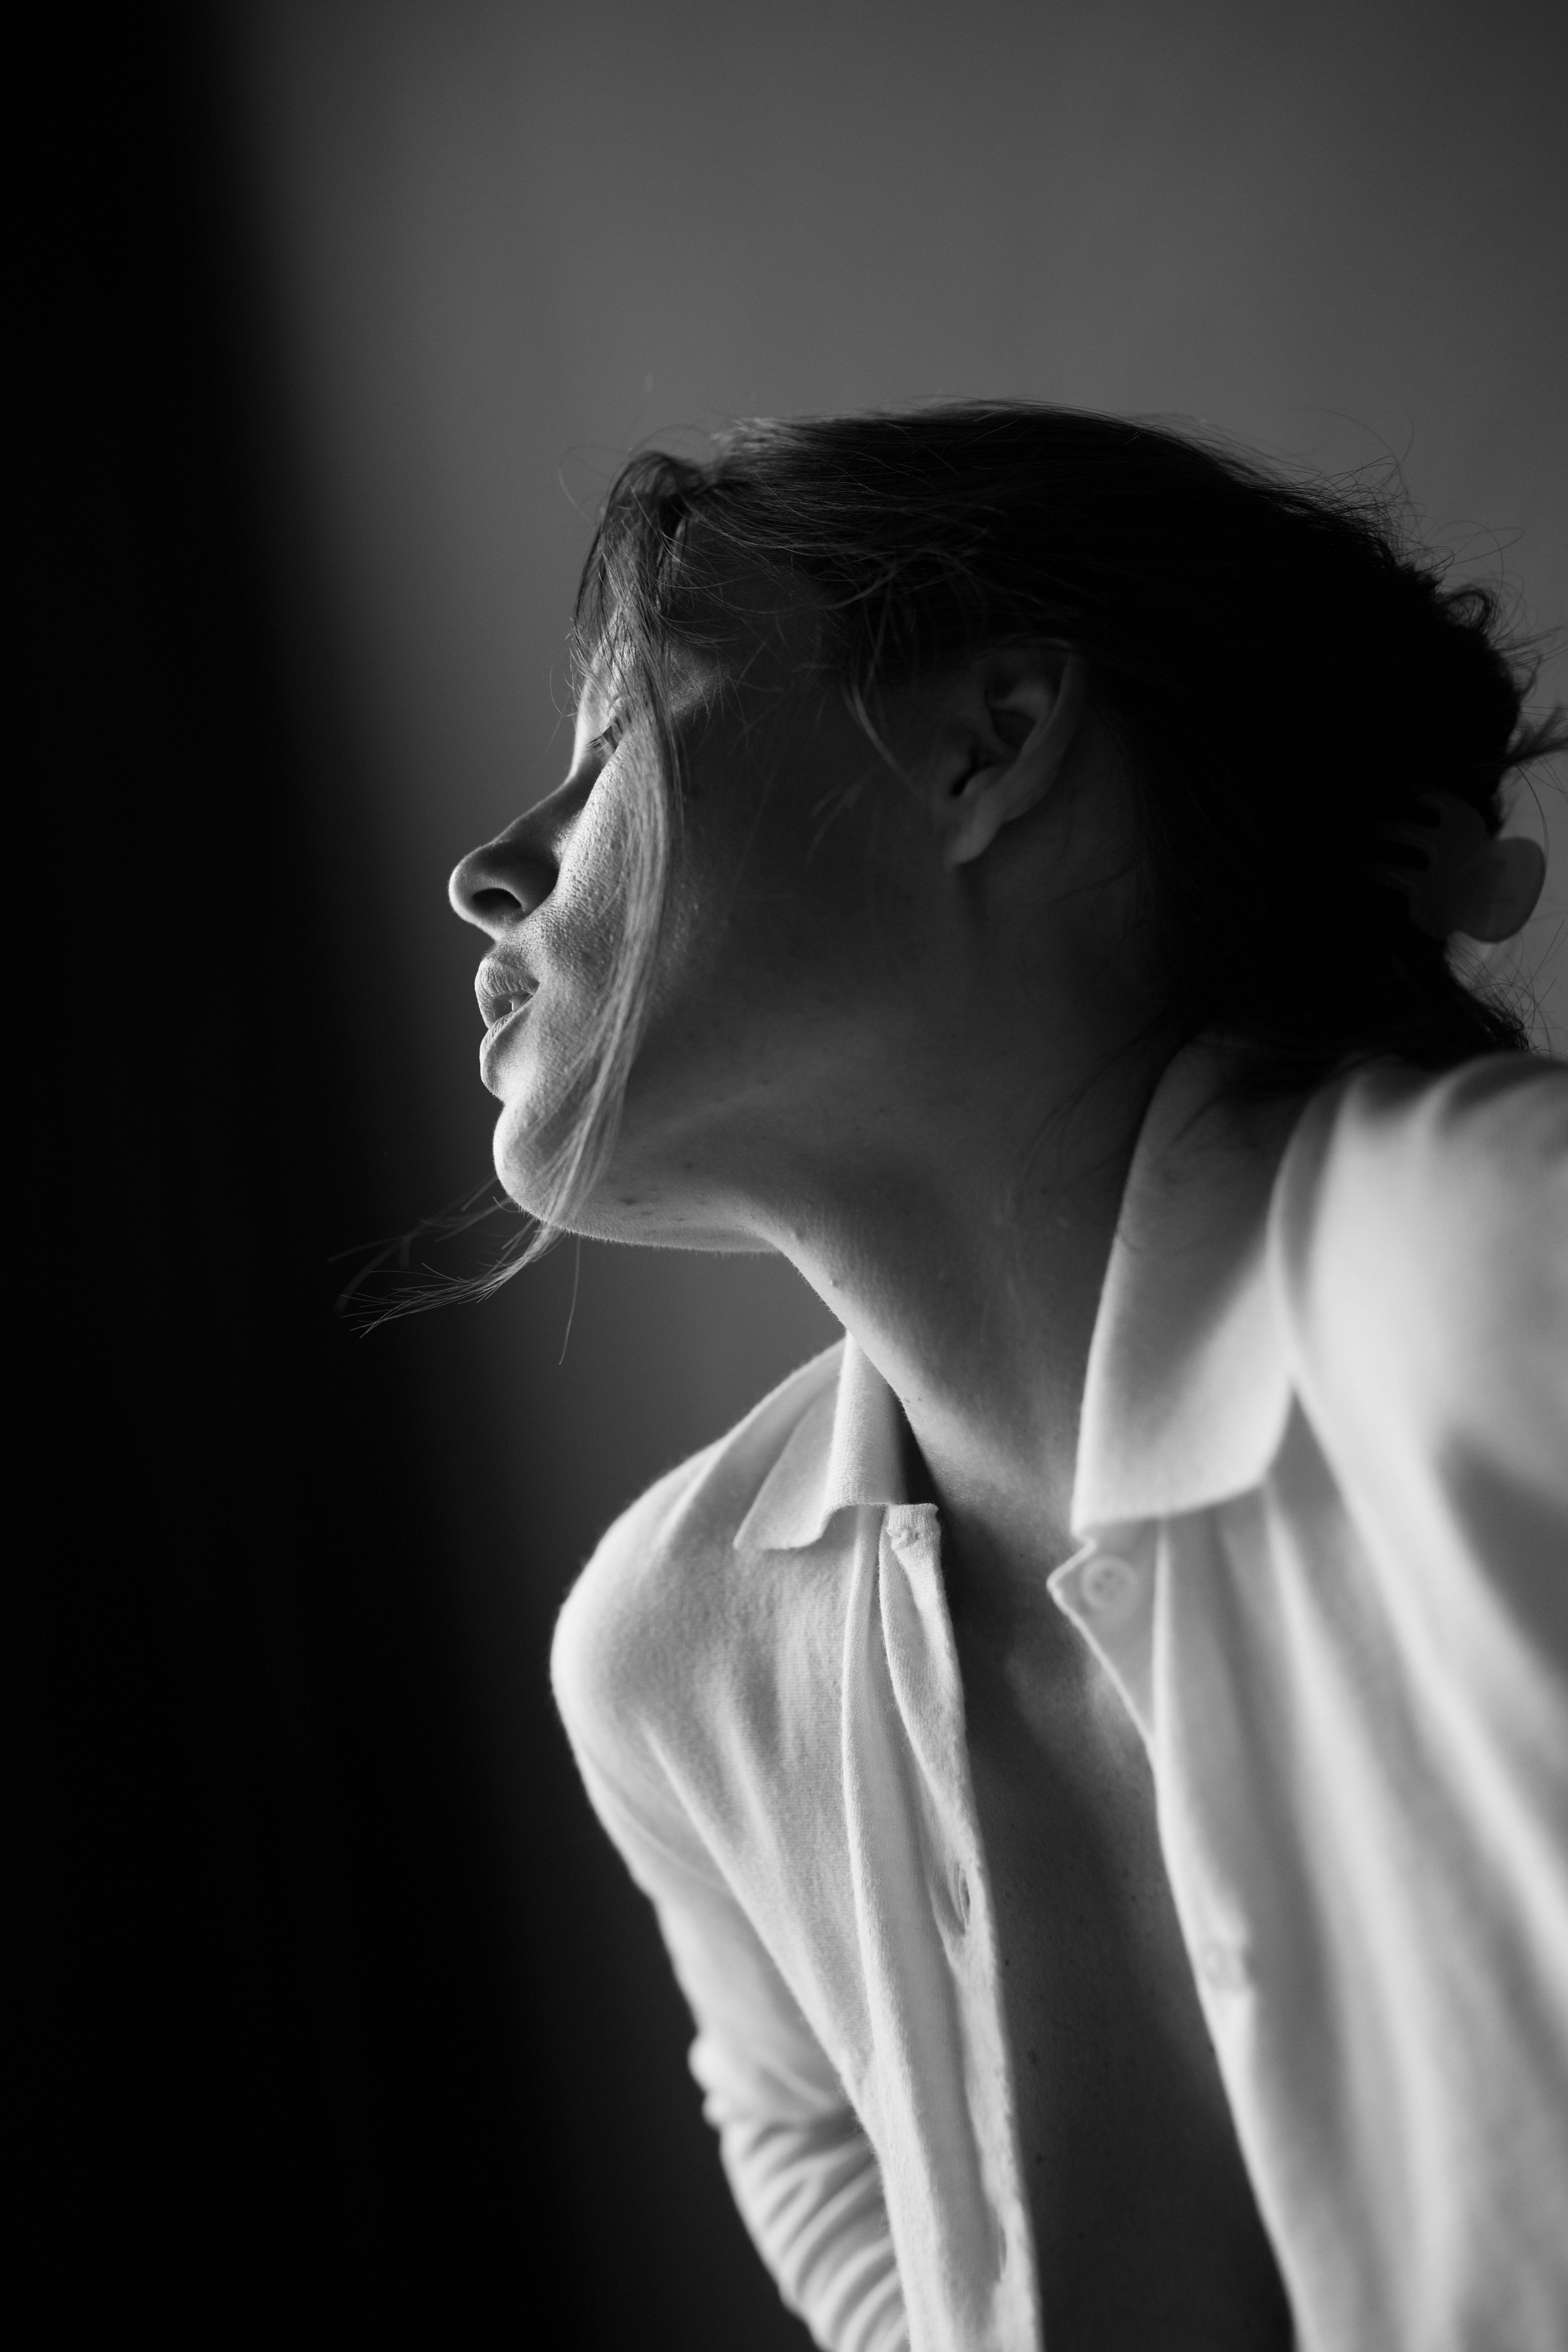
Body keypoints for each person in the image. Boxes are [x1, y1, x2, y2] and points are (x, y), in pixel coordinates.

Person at [447, 404, 1568, 2352]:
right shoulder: (669, 1644)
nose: (488, 873)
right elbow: (798, 2123)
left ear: (988, 743)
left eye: (614, 743)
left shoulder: (1504, 1282)